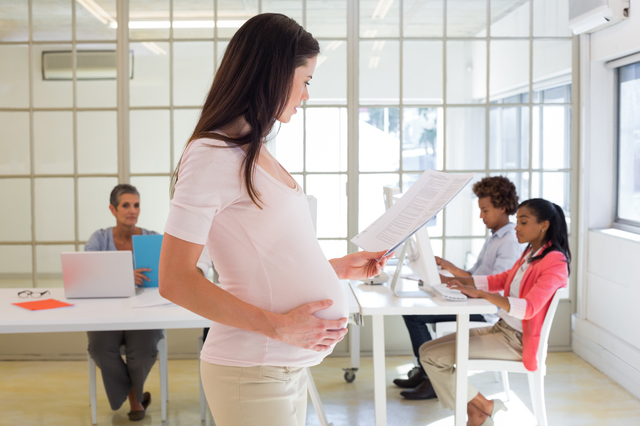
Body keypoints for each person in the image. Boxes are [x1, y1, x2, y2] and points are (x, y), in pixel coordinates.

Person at [158, 14, 391, 426]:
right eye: (305, 80)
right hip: (252, 368)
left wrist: (336, 269)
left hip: (281, 366)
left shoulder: (253, 150)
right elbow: (175, 279)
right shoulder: (212, 154)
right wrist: (278, 327)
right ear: (273, 74)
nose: (305, 95)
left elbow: (264, 258)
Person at [418, 199, 571, 426]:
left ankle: (479, 411)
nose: (516, 227)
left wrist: (482, 295)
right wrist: (454, 281)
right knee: (426, 350)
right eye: (517, 220)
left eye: (523, 222)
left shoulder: (554, 262)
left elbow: (529, 308)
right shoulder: (531, 253)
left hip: (517, 342)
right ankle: (483, 408)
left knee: (433, 358)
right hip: (502, 330)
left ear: (544, 225)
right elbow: (499, 279)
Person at [85, 184, 210, 422]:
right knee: (100, 349)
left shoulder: (153, 239)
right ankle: (136, 395)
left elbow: (172, 273)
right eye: (125, 205)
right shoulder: (99, 239)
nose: (132, 210)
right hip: (107, 314)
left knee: (143, 350)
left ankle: (133, 398)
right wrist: (122, 277)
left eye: (136, 205)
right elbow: (88, 276)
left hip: (145, 314)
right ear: (113, 209)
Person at [395, 176, 524, 399]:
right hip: (477, 301)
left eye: (485, 210)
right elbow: (475, 277)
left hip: (487, 312)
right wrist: (449, 271)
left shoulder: (509, 241)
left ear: (503, 207)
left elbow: (496, 287)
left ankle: (430, 377)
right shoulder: (496, 237)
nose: (481, 216)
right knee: (414, 311)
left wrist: (457, 282)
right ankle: (426, 371)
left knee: (415, 315)